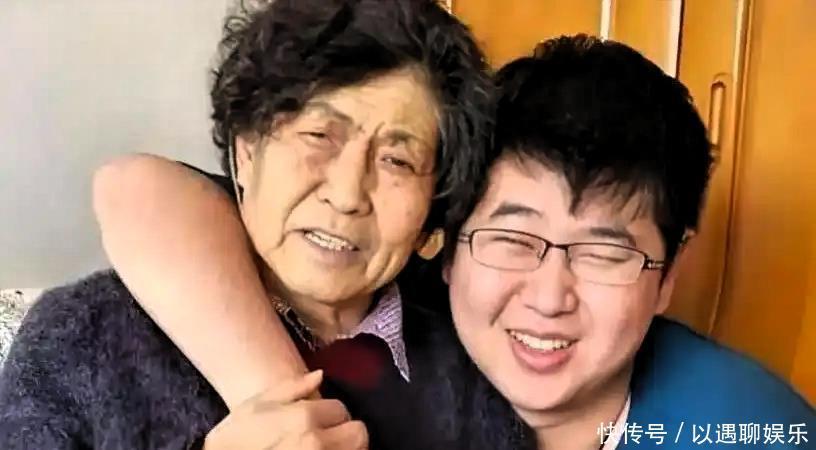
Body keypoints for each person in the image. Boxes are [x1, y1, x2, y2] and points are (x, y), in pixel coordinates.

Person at [91, 35, 814, 450]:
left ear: (669, 274)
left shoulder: (742, 427)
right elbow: (142, 190)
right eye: (511, 237)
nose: (548, 298)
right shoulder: (403, 313)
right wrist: (278, 403)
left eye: (604, 253)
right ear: (445, 237)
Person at [0, 0, 492, 449]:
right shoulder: (83, 335)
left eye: (397, 161)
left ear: (433, 208)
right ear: (246, 153)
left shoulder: (475, 365)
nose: (346, 196)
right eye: (319, 136)